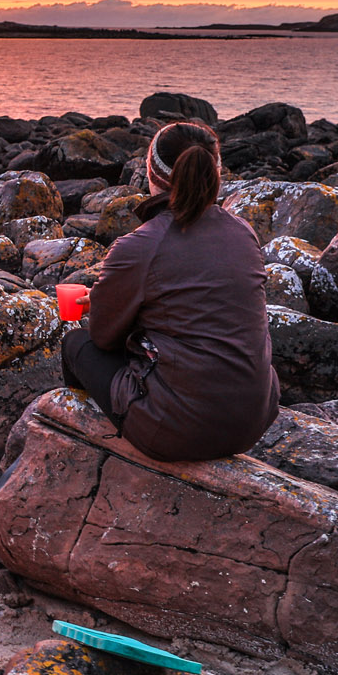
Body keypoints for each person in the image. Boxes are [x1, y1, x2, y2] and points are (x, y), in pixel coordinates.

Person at [62, 120, 280, 461]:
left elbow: (103, 339)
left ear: (151, 173)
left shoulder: (139, 245)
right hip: (254, 421)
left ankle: (82, 448)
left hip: (176, 431)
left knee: (75, 345)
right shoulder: (242, 232)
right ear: (215, 172)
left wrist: (107, 305)